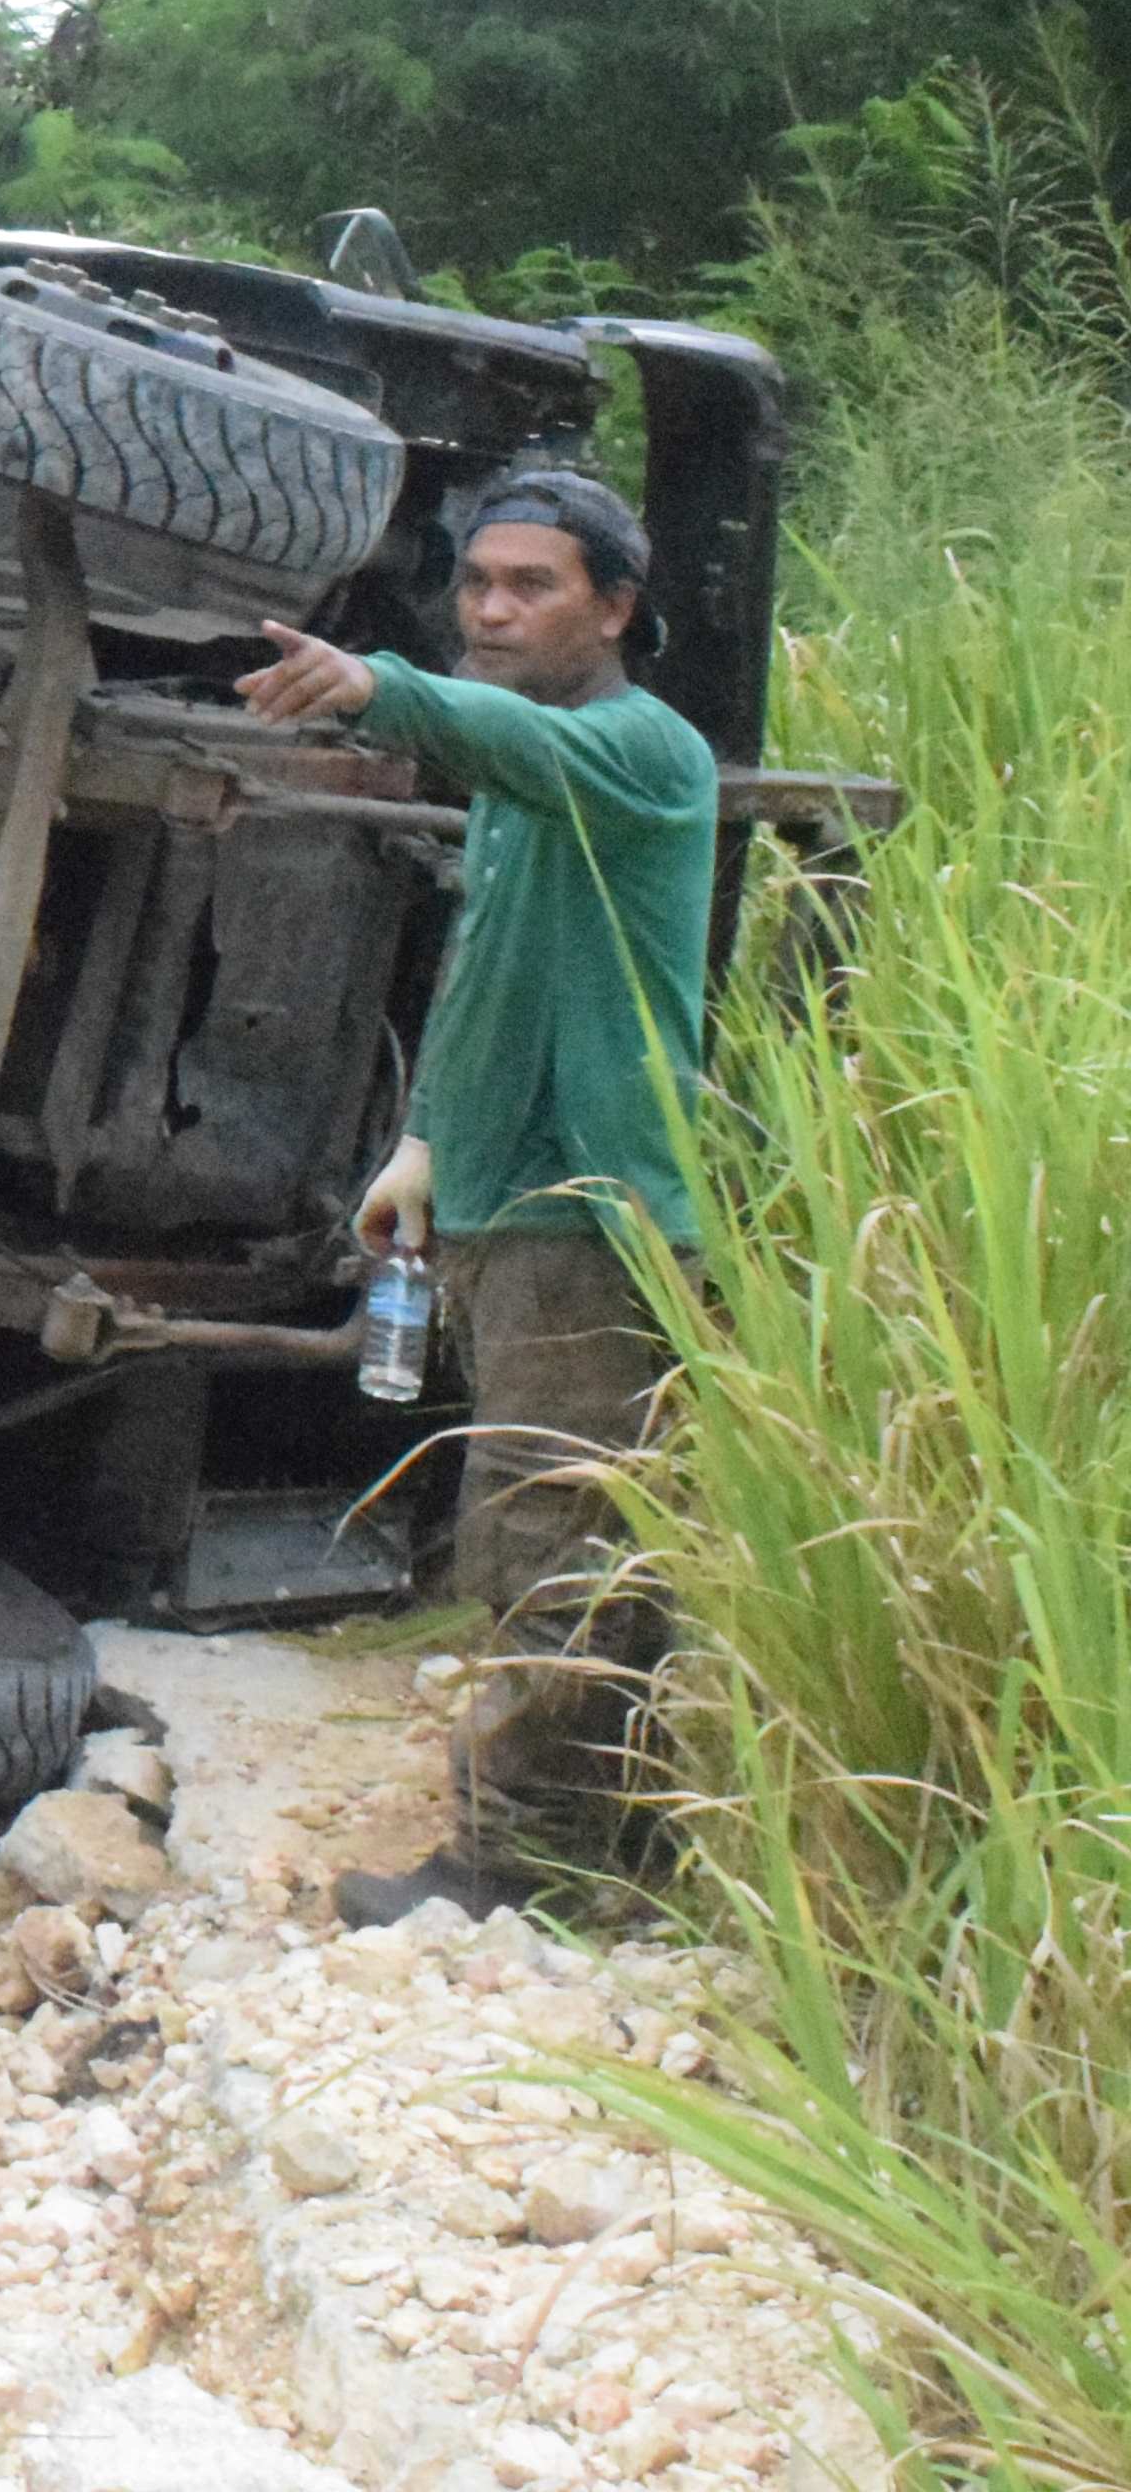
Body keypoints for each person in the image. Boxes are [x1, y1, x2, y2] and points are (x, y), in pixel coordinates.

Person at [233, 468, 717, 1920]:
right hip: (512, 1204)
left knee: (557, 1548)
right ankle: (616, 1858)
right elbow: (494, 978)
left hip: (591, 1216)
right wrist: (427, 1144)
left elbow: (481, 720)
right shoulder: (524, 786)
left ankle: (530, 1880)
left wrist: (370, 684)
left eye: (534, 586)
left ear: (616, 607)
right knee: (560, 1533)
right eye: (479, 583)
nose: (492, 610)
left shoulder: (641, 752)